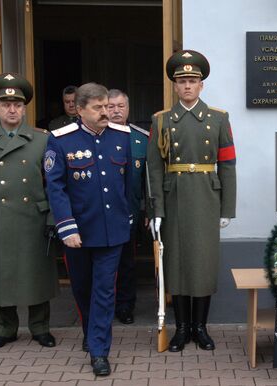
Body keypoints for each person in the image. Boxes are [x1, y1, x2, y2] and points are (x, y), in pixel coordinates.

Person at [147, 49, 237, 352]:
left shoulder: (219, 119)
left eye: (193, 80)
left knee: (202, 264)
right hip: (174, 199)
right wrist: (156, 208)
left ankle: (201, 327)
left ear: (201, 85)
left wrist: (227, 207)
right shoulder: (161, 121)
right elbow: (154, 169)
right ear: (174, 85)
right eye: (182, 81)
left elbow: (228, 164)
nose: (187, 86)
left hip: (207, 198)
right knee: (176, 265)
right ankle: (182, 328)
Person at [0, 72, 58, 351]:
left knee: (36, 274)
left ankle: (40, 328)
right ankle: (5, 328)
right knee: (0, 276)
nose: (12, 109)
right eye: (5, 104)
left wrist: (54, 217)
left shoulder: (43, 139)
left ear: (24, 107)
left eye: (17, 104)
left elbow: (54, 183)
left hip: (34, 218)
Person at [45, 82, 132, 376]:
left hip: (112, 231)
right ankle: (90, 331)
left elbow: (128, 183)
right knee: (83, 289)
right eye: (98, 107)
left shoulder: (122, 137)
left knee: (105, 290)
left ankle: (98, 350)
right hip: (77, 232)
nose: (106, 112)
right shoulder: (60, 140)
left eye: (107, 105)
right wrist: (67, 228)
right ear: (80, 110)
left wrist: (129, 217)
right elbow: (55, 188)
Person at [107, 89, 149, 324]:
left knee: (126, 261)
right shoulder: (97, 136)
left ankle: (125, 305)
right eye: (111, 106)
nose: (115, 111)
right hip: (102, 213)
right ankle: (104, 305)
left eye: (120, 106)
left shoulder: (141, 138)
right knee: (103, 263)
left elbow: (148, 181)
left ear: (128, 108)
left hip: (130, 211)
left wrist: (148, 210)